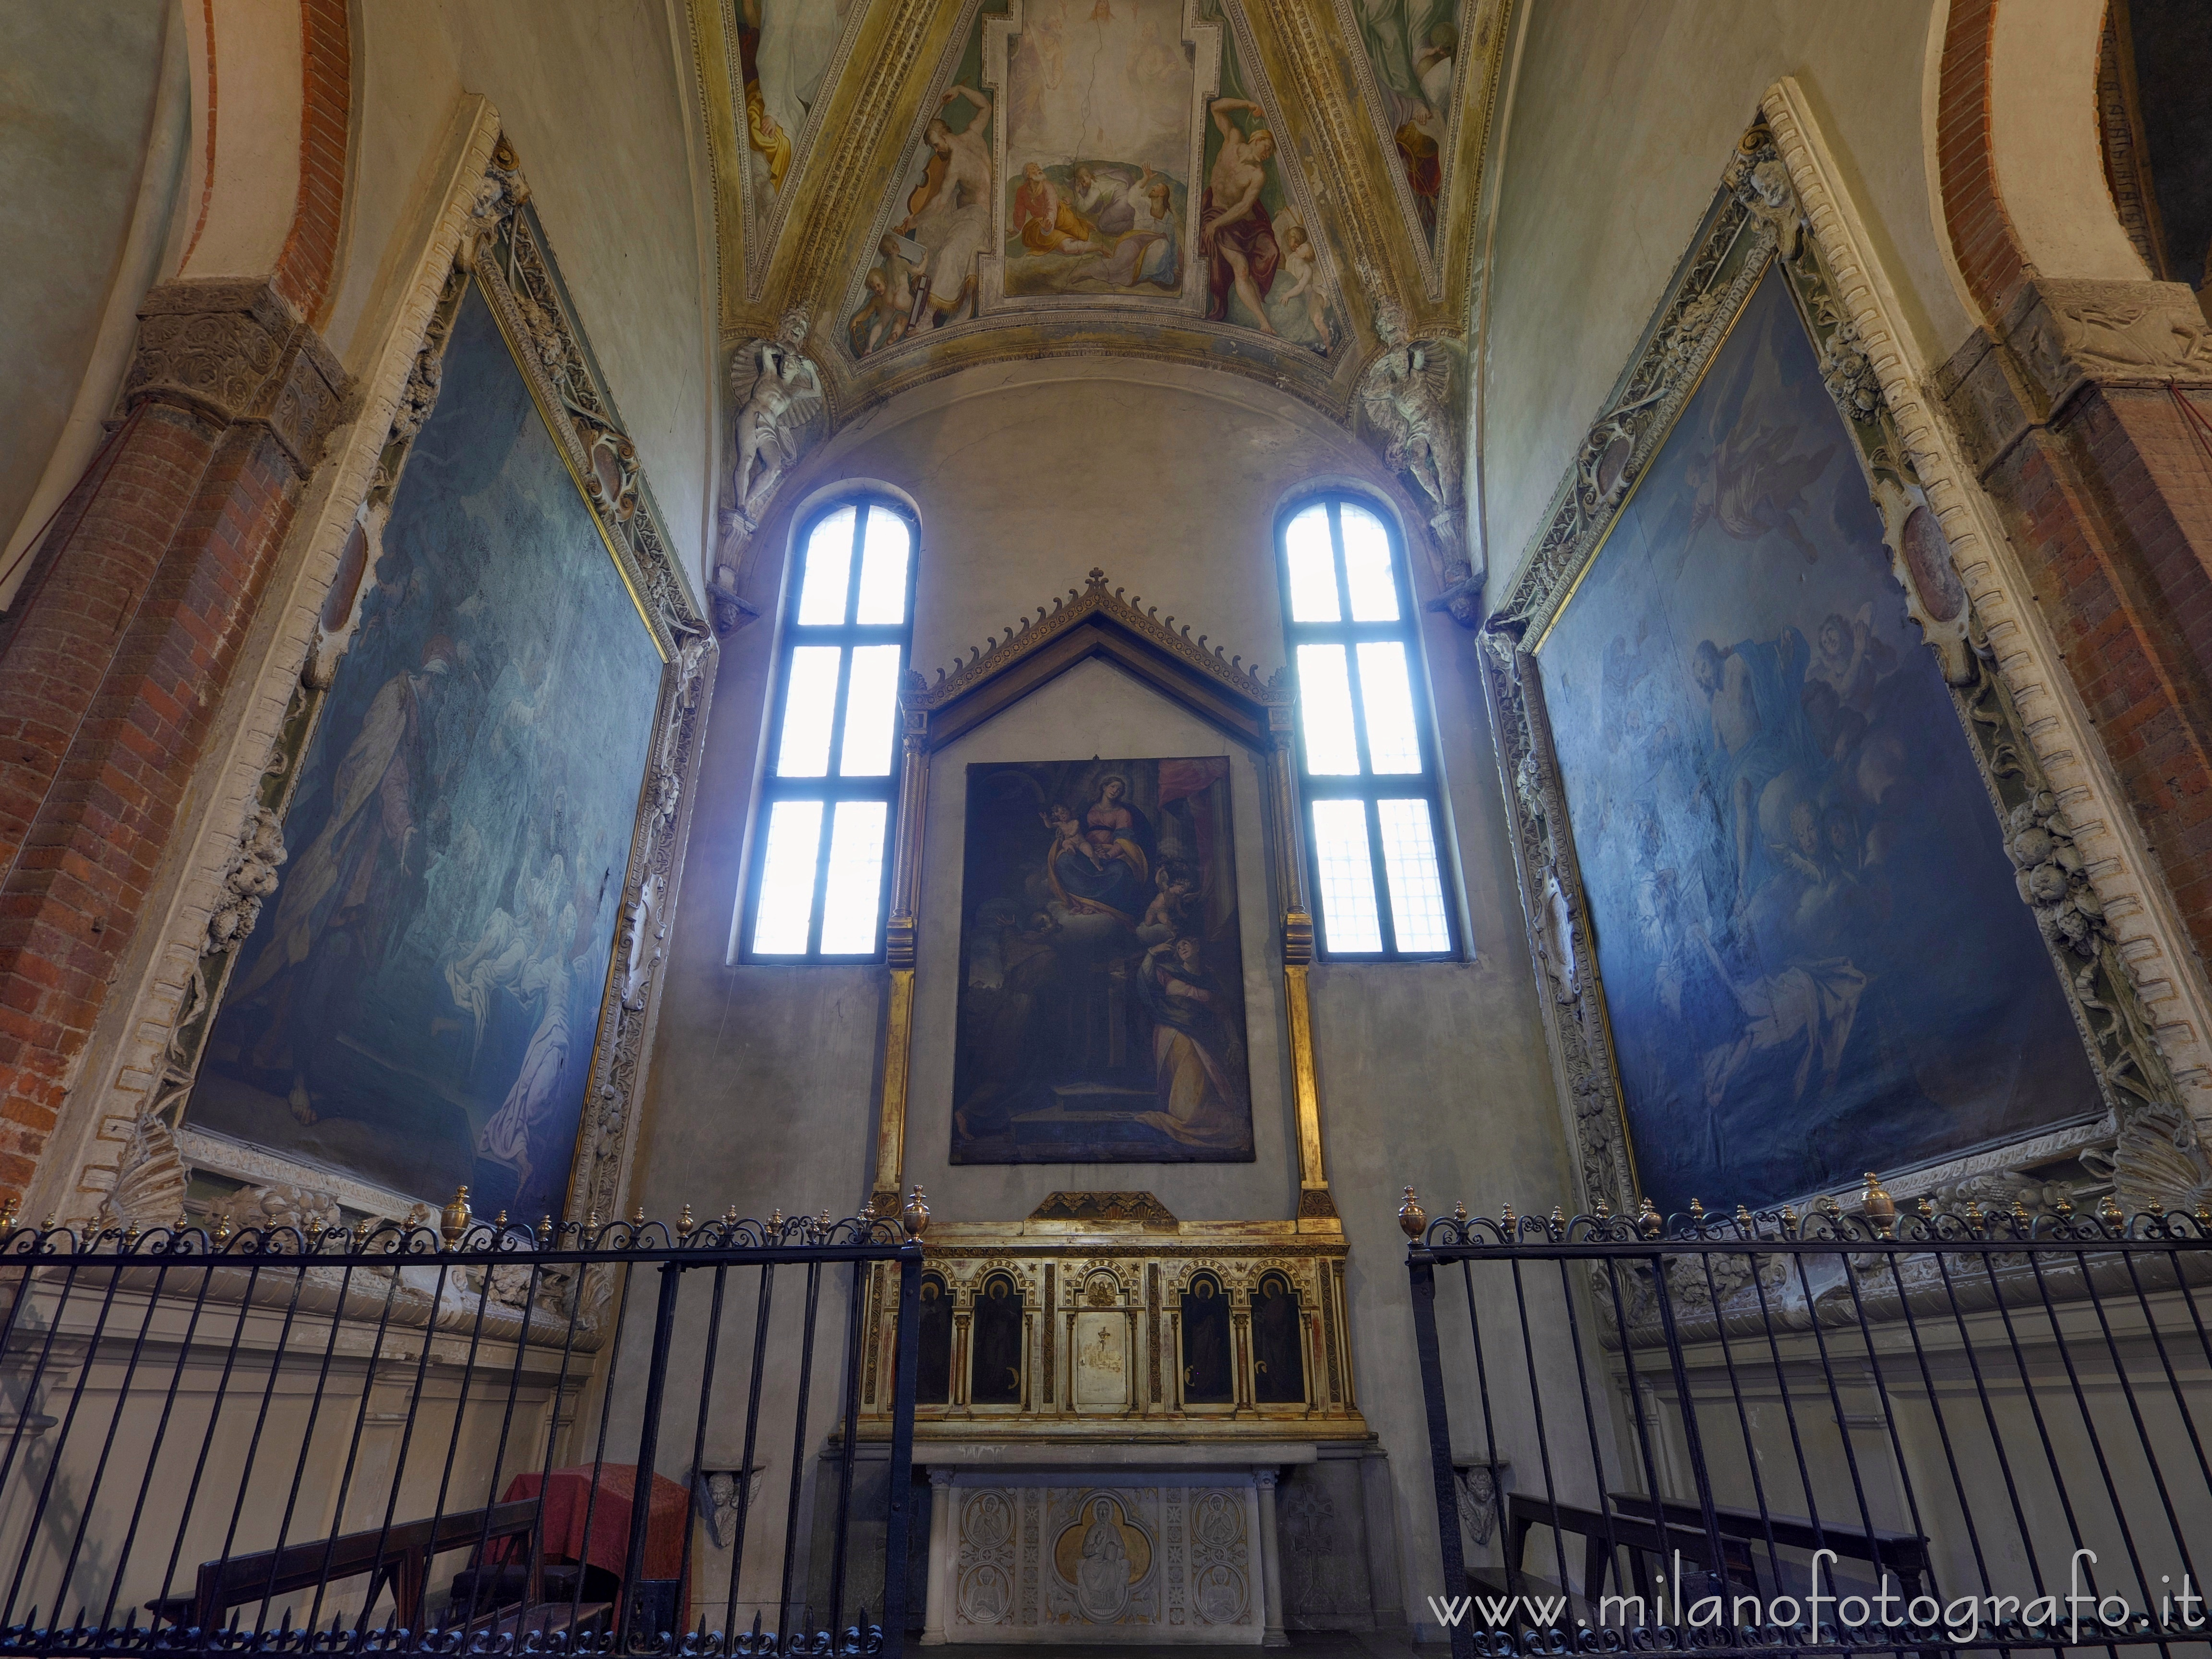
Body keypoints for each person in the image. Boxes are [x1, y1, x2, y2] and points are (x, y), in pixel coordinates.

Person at [230, 635, 453, 1124]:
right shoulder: (398, 699)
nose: (439, 695)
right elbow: (379, 769)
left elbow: (414, 783)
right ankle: (288, 1069)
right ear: (428, 678)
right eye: (438, 684)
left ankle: (296, 1068)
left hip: (382, 865)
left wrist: (426, 817)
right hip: (355, 850)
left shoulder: (427, 722)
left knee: (344, 967)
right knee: (312, 952)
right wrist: (407, 830)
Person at [899, 85, 995, 324]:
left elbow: (941, 202)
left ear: (943, 134)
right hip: (960, 208)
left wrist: (914, 219)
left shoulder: (955, 165)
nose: (936, 149)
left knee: (948, 253)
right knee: (928, 234)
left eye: (935, 143)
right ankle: (921, 292)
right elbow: (986, 106)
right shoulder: (973, 134)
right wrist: (961, 90)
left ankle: (928, 317)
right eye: (932, 147)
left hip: (977, 214)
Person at [1201, 97, 1280, 330]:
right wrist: (1247, 104)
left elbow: (1244, 207)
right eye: (1268, 148)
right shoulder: (1233, 139)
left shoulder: (1258, 175)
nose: (1268, 154)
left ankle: (1264, 322)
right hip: (1215, 213)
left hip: (1235, 220)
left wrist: (1217, 224)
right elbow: (1215, 107)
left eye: (1272, 152)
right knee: (1241, 268)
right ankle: (1264, 322)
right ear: (1257, 139)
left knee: (1266, 254)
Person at [1013, 161, 1103, 255]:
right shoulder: (1022, 191)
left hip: (1060, 215)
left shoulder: (1047, 186)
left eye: (1037, 167)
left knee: (1082, 235)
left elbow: (1051, 207)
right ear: (1028, 176)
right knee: (1065, 247)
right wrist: (1017, 228)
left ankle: (1082, 224)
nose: (1038, 169)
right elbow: (1019, 212)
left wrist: (1049, 221)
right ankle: (1098, 247)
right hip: (1041, 222)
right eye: (1033, 169)